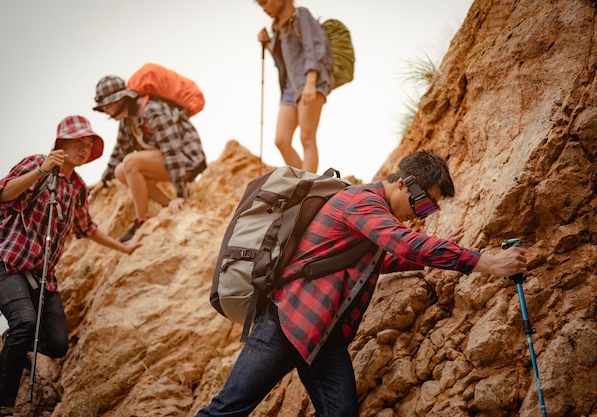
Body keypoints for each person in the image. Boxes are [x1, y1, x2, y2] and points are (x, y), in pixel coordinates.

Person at [196, 150, 527, 417]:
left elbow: (384, 260)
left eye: (429, 211)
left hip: (325, 340)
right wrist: (484, 262)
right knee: (228, 409)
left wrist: (438, 254)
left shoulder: (373, 216)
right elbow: (403, 243)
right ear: (402, 183)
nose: (422, 215)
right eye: (423, 203)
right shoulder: (362, 201)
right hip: (287, 323)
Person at [0, 115, 143, 417]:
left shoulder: (78, 187)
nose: (84, 149)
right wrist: (41, 171)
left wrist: (124, 247)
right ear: (61, 143)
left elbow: (87, 228)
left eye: (88, 145)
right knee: (25, 322)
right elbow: (0, 194)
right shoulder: (36, 164)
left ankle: (15, 340)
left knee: (57, 345)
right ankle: (2, 406)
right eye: (78, 143)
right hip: (6, 263)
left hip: (43, 278)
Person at [89, 75, 207, 242]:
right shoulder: (126, 121)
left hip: (186, 161)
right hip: (167, 162)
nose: (105, 111)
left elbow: (172, 151)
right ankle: (169, 205)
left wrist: (181, 194)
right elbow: (119, 150)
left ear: (121, 99)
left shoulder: (152, 110)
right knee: (121, 171)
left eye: (107, 105)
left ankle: (141, 221)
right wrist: (104, 179)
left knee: (130, 162)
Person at [257, 0, 333, 173]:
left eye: (265, 2)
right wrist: (268, 43)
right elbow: (283, 62)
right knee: (281, 140)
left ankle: (309, 188)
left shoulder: (301, 15)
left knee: (307, 137)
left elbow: (313, 47)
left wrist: (311, 81)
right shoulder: (278, 28)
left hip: (310, 80)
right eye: (261, 6)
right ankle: (303, 183)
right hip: (290, 88)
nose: (264, 8)